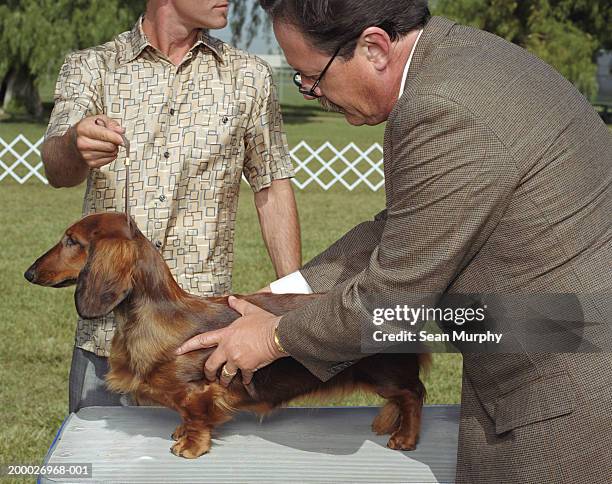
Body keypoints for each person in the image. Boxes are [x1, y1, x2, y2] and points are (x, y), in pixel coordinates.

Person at [176, 1, 612, 482]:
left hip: (563, 392)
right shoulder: (469, 60)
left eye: (310, 75)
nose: (310, 92)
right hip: (564, 346)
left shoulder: (440, 107)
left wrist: (274, 336)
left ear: (374, 47)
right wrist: (279, 299)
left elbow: (391, 302)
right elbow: (403, 226)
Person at [41, 0, 301, 414]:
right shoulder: (92, 68)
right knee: (95, 474)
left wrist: (294, 304)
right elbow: (57, 168)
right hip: (109, 337)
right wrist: (75, 143)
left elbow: (271, 184)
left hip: (201, 346)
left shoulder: (250, 76)